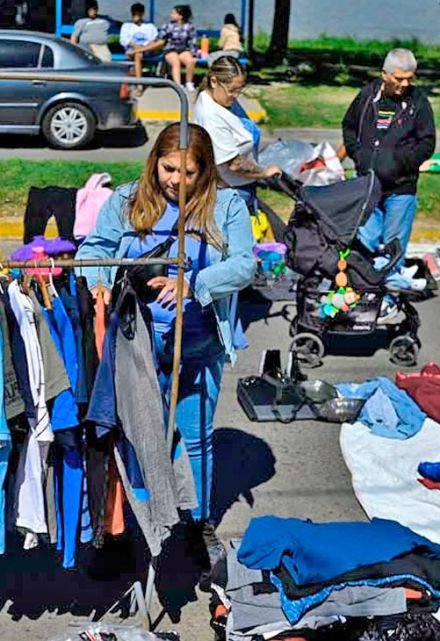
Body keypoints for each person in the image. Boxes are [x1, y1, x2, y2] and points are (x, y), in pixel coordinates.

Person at [75, 122, 256, 579]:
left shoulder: (227, 205)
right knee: (134, 437)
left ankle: (197, 524)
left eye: (190, 172)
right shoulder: (128, 199)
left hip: (199, 343)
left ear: (206, 170)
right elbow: (94, 249)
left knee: (195, 438)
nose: (176, 180)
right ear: (155, 162)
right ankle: (125, 530)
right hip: (135, 343)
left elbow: (245, 264)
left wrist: (195, 282)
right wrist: (98, 283)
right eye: (169, 168)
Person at [342, 48, 437, 271]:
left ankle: (390, 296)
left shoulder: (418, 102)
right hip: (368, 184)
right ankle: (365, 292)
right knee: (366, 243)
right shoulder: (367, 96)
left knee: (393, 247)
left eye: (409, 79)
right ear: (384, 74)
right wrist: (359, 156)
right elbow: (348, 127)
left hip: (401, 189)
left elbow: (427, 142)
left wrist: (404, 163)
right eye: (399, 78)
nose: (404, 84)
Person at [191, 56, 281, 219]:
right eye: (232, 90)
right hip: (229, 192)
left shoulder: (222, 100)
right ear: (214, 81)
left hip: (239, 186)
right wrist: (265, 173)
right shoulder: (210, 116)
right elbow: (233, 163)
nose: (236, 95)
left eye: (240, 89)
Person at [153, 4, 198, 92]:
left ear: (180, 16)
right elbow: (159, 38)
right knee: (175, 61)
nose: (171, 15)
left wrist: (193, 52)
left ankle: (189, 82)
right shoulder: (167, 26)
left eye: (174, 13)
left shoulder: (189, 26)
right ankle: (178, 85)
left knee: (191, 61)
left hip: (183, 49)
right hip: (170, 49)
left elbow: (192, 41)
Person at [120, 2, 159, 82]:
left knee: (138, 54)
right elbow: (124, 40)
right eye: (134, 14)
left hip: (147, 50)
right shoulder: (126, 25)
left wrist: (143, 49)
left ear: (142, 14)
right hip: (132, 50)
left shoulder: (150, 26)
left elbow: (154, 41)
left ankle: (139, 82)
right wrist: (137, 47)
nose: (135, 16)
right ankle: (138, 80)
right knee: (138, 54)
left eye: (137, 14)